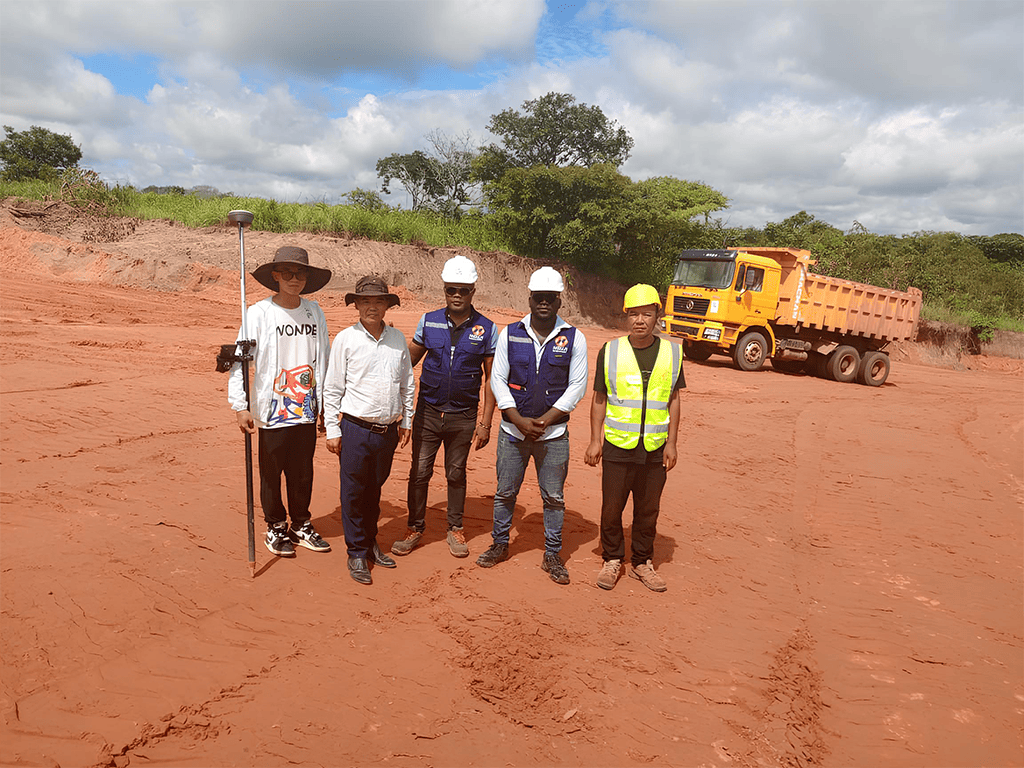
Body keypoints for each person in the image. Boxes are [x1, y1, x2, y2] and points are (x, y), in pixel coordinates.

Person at [476, 266, 588, 585]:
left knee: (553, 497)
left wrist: (544, 421)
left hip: (553, 436)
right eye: (538, 297)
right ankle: (499, 544)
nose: (543, 303)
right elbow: (497, 379)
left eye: (550, 298)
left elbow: (576, 386)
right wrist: (518, 420)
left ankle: (552, 553)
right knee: (505, 492)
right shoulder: (509, 333)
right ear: (529, 299)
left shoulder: (574, 338)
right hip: (513, 433)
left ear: (558, 302)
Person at [227, 245, 333, 558]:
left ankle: (300, 524)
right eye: (287, 272)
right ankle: (275, 527)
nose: (294, 278)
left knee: (303, 472)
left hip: (307, 409)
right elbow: (240, 361)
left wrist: (325, 404)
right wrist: (240, 405)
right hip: (272, 410)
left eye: (300, 272)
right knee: (271, 473)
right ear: (275, 276)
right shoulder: (259, 313)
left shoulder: (315, 312)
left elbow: (324, 360)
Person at [392, 255, 498, 559]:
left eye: (463, 290)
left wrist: (486, 422)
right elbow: (406, 363)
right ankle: (415, 527)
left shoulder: (487, 329)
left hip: (463, 417)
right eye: (451, 289)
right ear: (444, 289)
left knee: (455, 473)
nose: (457, 295)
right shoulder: (429, 320)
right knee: (420, 472)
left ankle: (455, 527)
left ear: (473, 291)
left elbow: (491, 379)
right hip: (427, 412)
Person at [584, 284, 684, 592]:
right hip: (617, 445)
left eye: (646, 314)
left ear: (657, 315)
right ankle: (612, 559)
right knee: (611, 508)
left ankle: (642, 562)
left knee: (647, 509)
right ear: (626, 316)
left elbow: (674, 400)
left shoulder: (671, 352)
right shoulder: (611, 351)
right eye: (633, 314)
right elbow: (599, 398)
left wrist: (672, 443)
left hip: (654, 448)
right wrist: (595, 439)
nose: (639, 320)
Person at [324, 275, 415, 585]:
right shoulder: (346, 340)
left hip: (387, 432)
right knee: (353, 492)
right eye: (365, 301)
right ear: (356, 305)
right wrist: (332, 430)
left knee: (374, 490)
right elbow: (333, 387)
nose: (372, 307)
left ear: (387, 306)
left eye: (379, 301)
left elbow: (407, 383)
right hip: (354, 429)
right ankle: (357, 552)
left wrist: (407, 419)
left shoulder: (398, 339)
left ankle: (371, 541)